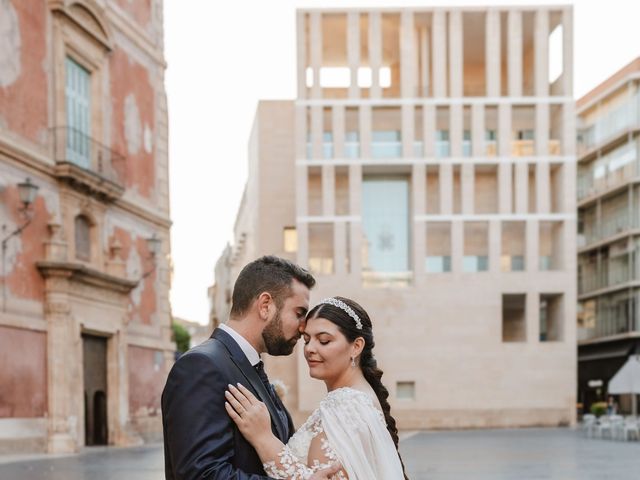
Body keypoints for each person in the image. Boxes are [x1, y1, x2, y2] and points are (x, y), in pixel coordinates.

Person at [162, 256, 340, 480]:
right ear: (265, 306)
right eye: (298, 313)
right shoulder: (201, 366)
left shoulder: (247, 365)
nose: (304, 327)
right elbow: (201, 475)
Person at [225, 296, 409, 479]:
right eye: (306, 340)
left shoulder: (347, 404)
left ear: (356, 346)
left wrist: (264, 438)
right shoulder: (357, 397)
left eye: (323, 340)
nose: (309, 349)